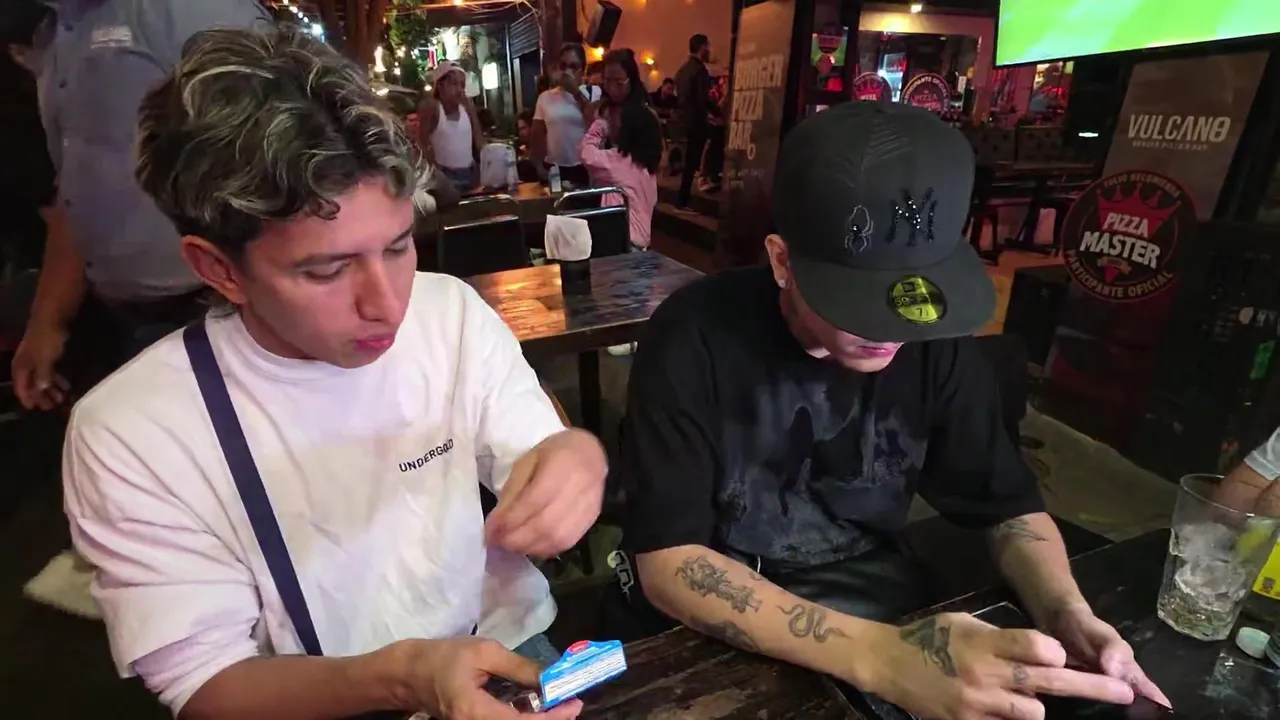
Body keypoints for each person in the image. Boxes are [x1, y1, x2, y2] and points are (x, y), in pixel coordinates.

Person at [64, 27, 606, 720]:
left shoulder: (448, 313)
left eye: (400, 246)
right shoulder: (133, 431)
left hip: (502, 641)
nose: (387, 304)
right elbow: (203, 682)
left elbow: (534, 448)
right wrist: (405, 677)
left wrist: (576, 457)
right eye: (326, 270)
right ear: (219, 269)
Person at [608, 102, 1169, 720]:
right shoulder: (694, 336)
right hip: (715, 606)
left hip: (870, 582)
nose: (894, 329)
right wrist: (884, 659)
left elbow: (1007, 506)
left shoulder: (933, 341)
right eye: (860, 304)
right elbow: (669, 562)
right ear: (782, 261)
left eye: (916, 297)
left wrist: (1066, 611)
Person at [5, 0, 272, 619]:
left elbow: (277, 156)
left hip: (219, 311)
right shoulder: (58, 33)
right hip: (126, 319)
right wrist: (47, 320)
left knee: (257, 529)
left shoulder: (186, 9)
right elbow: (76, 191)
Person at [580, 49, 661, 253]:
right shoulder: (647, 172)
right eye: (607, 81)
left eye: (619, 81)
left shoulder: (621, 159)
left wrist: (600, 127)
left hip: (623, 238)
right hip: (639, 237)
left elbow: (587, 154)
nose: (612, 88)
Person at [531, 43, 601, 188]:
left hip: (583, 167)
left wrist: (575, 92)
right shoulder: (545, 97)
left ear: (582, 70)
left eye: (573, 66)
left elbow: (595, 121)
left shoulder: (593, 93)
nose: (567, 71)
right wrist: (538, 166)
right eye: (563, 66)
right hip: (554, 167)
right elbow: (537, 134)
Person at [419, 60, 485, 193]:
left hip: (471, 174)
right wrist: (435, 172)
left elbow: (478, 140)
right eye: (454, 84)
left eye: (462, 85)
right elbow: (422, 143)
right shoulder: (432, 107)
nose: (460, 90)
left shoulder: (467, 106)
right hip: (445, 176)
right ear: (440, 85)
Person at [674, 33, 713, 208]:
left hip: (683, 120)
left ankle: (682, 199)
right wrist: (715, 112)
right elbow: (702, 99)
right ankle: (683, 200)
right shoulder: (699, 71)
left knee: (689, 162)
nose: (709, 50)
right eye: (708, 46)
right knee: (692, 162)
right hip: (696, 122)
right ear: (702, 47)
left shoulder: (682, 69)